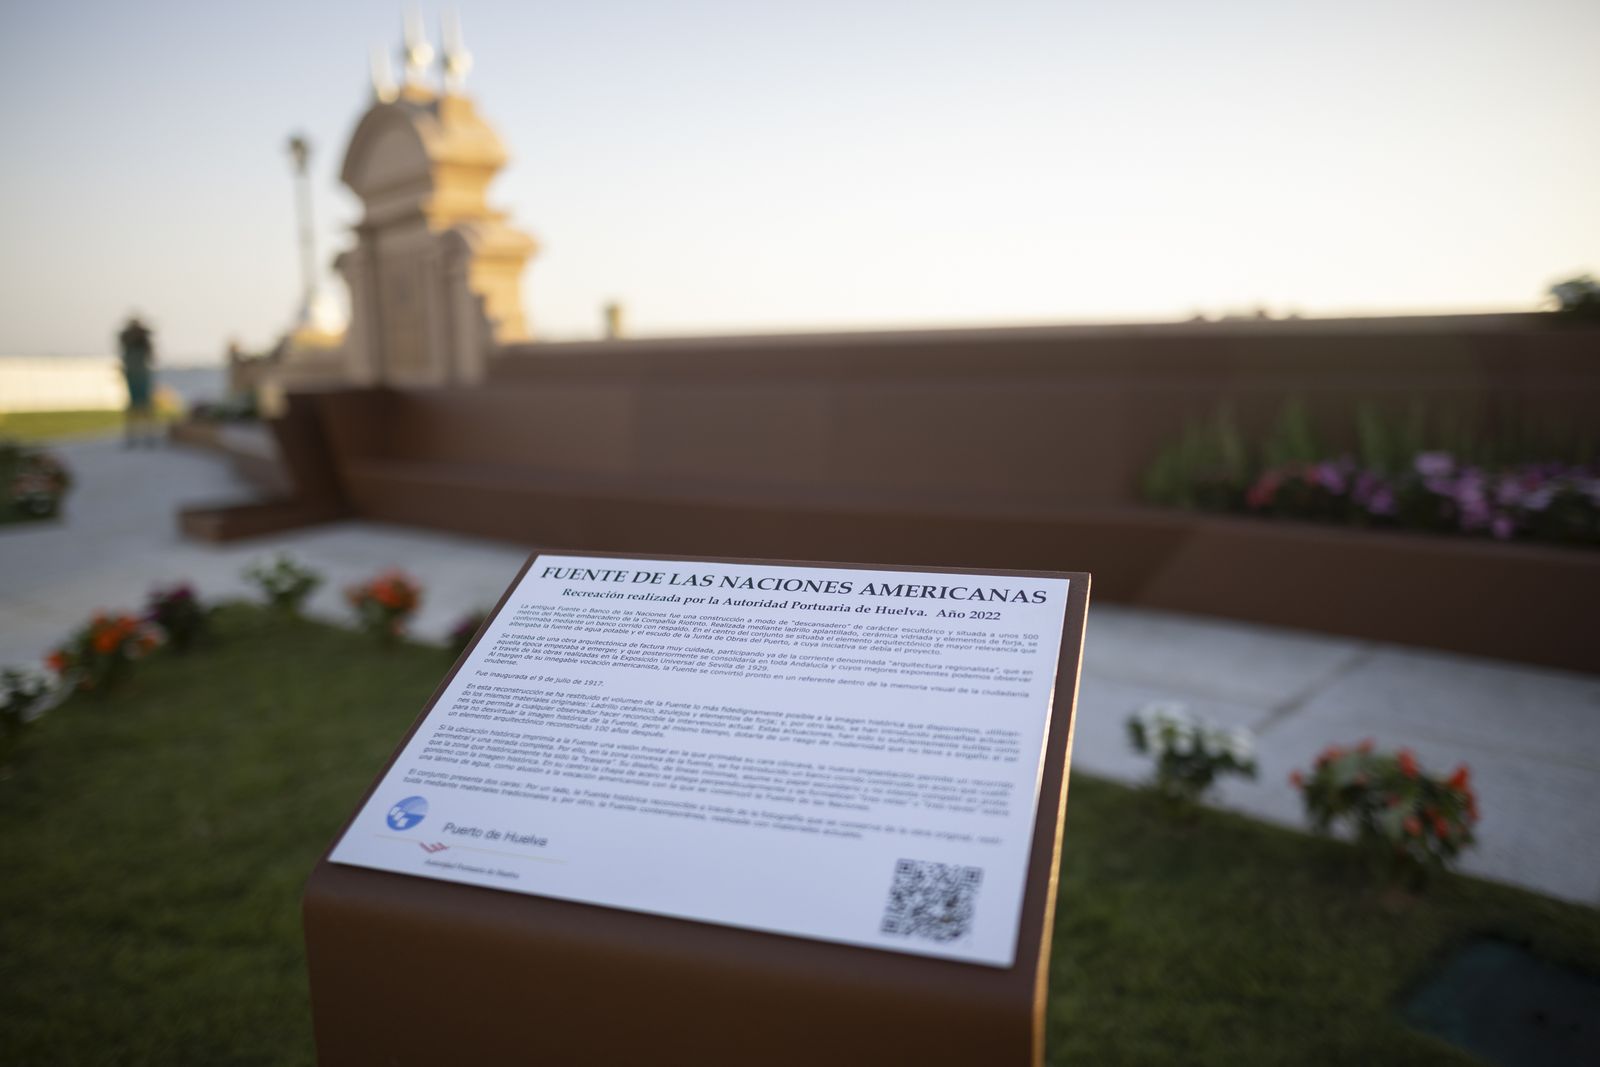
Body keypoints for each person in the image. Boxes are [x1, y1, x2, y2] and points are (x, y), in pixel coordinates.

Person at [117, 315, 158, 447]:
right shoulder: (127, 338)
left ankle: (148, 436)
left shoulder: (143, 341)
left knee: (145, 407)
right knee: (134, 408)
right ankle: (133, 437)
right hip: (134, 374)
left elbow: (151, 355)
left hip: (140, 374)